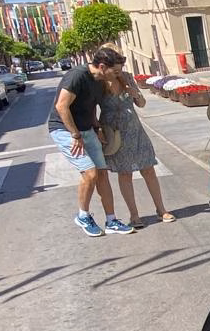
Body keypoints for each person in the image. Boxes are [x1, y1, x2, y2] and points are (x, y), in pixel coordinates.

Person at [48, 45, 134, 237]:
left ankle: (111, 220)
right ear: (103, 66)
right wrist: (75, 135)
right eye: (116, 71)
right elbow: (62, 106)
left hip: (87, 129)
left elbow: (90, 107)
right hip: (64, 129)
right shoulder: (77, 76)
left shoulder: (100, 80)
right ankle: (83, 216)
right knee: (90, 173)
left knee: (102, 173)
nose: (117, 74)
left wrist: (97, 128)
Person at [98, 51, 176, 228]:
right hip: (115, 134)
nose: (119, 72)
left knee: (148, 170)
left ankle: (161, 210)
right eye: (115, 69)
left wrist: (135, 94)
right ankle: (134, 215)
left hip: (135, 130)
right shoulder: (99, 84)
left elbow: (141, 104)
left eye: (120, 68)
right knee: (125, 174)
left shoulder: (126, 78)